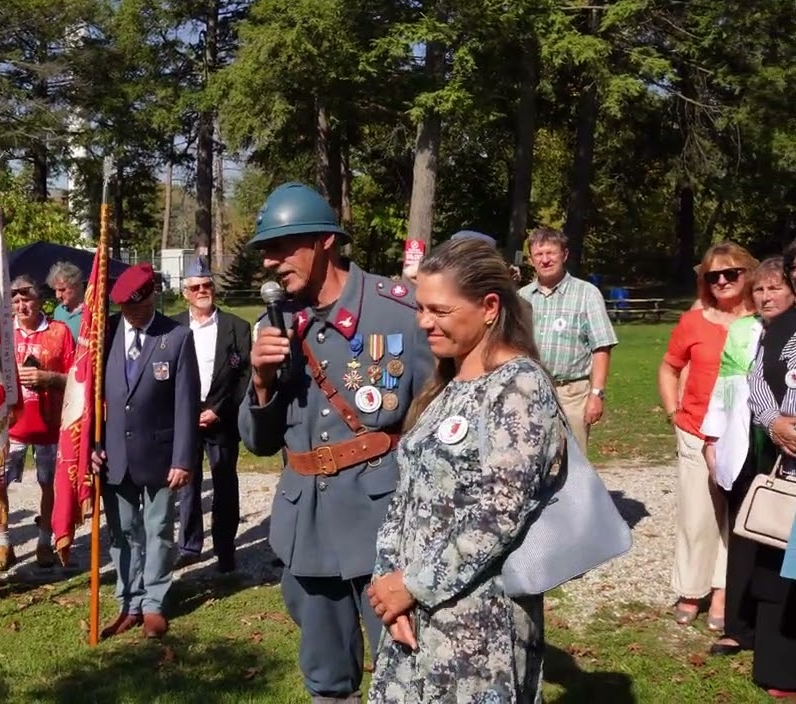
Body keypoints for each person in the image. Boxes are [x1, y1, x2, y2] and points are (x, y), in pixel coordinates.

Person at [239, 182, 432, 702]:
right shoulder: (274, 325)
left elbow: (437, 422)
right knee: (326, 681)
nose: (271, 264)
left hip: (383, 523)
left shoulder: (398, 312)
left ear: (325, 241)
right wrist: (260, 382)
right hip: (308, 529)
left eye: (283, 247)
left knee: (406, 672)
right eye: (266, 251)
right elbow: (257, 442)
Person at [367, 236, 563, 702]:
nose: (423, 322)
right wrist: (389, 586)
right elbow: (409, 492)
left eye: (440, 310)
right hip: (416, 613)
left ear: (489, 306)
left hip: (478, 623)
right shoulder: (448, 383)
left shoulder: (518, 387)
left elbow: (498, 514)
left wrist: (411, 585)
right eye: (421, 307)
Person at [91, 262, 198, 640]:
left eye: (138, 306)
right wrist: (92, 445)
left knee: (158, 530)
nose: (132, 315)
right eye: (125, 309)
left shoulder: (177, 337)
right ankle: (129, 601)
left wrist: (183, 459)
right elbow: (89, 399)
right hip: (114, 456)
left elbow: (186, 405)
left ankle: (154, 602)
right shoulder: (104, 336)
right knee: (122, 534)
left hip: (160, 454)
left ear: (153, 295)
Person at [658, 242, 758, 628]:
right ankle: (690, 588)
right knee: (697, 516)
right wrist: (674, 413)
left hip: (746, 434)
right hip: (695, 428)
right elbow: (669, 367)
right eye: (713, 276)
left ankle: (722, 592)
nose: (722, 281)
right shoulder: (693, 322)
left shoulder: (762, 322)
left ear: (746, 275)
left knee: (736, 517)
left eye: (731, 273)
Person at [703, 257, 793, 668]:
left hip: (779, 447)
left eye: (774, 288)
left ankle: (773, 628)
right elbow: (726, 383)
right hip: (750, 442)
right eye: (759, 289)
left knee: (780, 537)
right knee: (748, 529)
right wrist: (713, 434)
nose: (765, 295)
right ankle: (740, 625)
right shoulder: (743, 330)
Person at [733, 246, 796, 697]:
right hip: (787, 457)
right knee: (781, 561)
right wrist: (775, 422)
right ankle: (780, 666)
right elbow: (756, 377)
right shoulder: (779, 329)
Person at [171, 256, 251, 573]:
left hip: (222, 417)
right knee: (187, 486)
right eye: (196, 287)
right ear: (185, 293)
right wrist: (186, 412)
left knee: (225, 486)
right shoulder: (173, 326)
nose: (203, 290)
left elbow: (244, 375)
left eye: (207, 285)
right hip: (185, 419)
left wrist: (218, 410)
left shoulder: (237, 327)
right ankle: (190, 546)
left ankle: (225, 548)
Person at [0, 275, 74, 569]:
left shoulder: (59, 332)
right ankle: (3, 543)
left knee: (49, 485)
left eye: (26, 299)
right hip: (11, 426)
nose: (21, 306)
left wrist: (49, 378)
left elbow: (77, 379)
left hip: (50, 426)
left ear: (40, 299)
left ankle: (46, 540)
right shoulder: (4, 334)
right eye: (15, 301)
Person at [518, 227, 618, 448]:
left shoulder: (587, 294)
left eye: (550, 253)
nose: (545, 260)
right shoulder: (522, 297)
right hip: (530, 392)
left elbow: (601, 347)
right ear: (531, 260)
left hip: (571, 394)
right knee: (530, 459)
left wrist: (597, 394)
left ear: (564, 254)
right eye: (539, 255)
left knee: (573, 463)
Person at [48, 261, 86, 339]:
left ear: (77, 285)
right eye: (55, 290)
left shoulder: (92, 312)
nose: (58, 295)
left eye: (62, 290)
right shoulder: (58, 311)